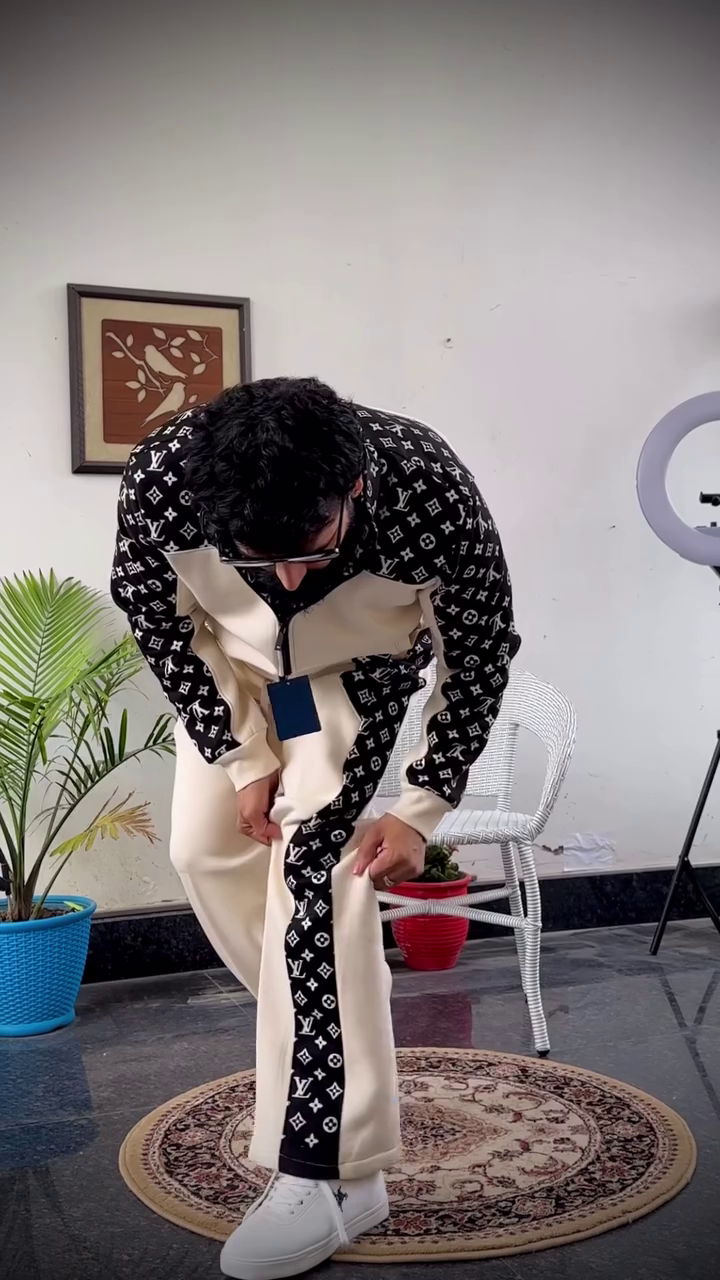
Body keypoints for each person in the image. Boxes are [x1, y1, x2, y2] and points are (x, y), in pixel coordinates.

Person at [110, 377, 520, 1280]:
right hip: (236, 674)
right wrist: (241, 754)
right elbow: (157, 617)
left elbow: (480, 649)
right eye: (262, 560)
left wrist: (419, 807)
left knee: (314, 885)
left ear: (356, 488)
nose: (291, 579)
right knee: (202, 853)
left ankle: (331, 1170)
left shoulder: (428, 486)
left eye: (313, 548)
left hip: (351, 680)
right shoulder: (165, 477)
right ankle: (323, 1013)